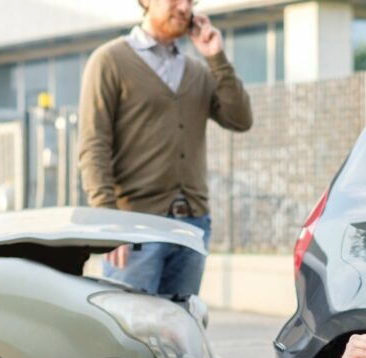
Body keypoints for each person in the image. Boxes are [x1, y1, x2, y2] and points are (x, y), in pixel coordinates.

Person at [77, 0, 252, 296]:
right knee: (129, 333)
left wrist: (216, 56)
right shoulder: (109, 60)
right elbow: (93, 146)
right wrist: (109, 222)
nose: (184, 7)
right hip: (134, 226)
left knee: (177, 333)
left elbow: (240, 119)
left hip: (192, 226)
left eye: (191, 1)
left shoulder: (198, 70)